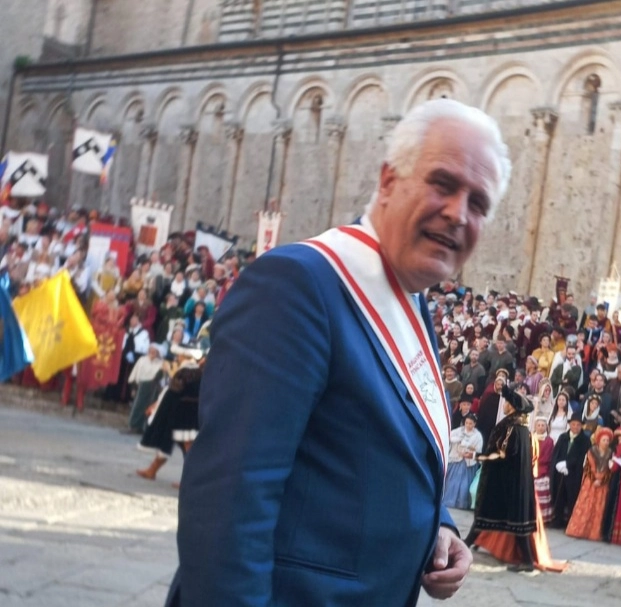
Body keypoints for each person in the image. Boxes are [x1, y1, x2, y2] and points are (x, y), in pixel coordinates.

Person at [167, 99, 511, 605]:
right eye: (443, 183)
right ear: (389, 181)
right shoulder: (296, 285)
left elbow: (378, 447)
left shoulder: (411, 297)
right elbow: (228, 505)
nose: (459, 213)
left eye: (478, 202)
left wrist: (437, 527)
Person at [464, 386, 537, 572]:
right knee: (488, 513)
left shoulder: (512, 427)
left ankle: (528, 562)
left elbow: (503, 454)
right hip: (509, 479)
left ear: (512, 406)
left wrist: (477, 456)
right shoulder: (519, 426)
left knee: (512, 520)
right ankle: (469, 542)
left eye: (506, 402)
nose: (503, 405)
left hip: (506, 481)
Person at [137, 345, 204, 482]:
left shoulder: (184, 372)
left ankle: (188, 481)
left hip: (182, 416)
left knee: (187, 447)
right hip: (188, 414)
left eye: (179, 356)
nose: (178, 358)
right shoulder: (199, 372)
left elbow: (173, 393)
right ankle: (152, 470)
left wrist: (162, 411)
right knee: (170, 443)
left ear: (184, 357)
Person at [566, 427, 614, 540]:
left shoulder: (611, 454)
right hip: (590, 482)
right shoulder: (591, 451)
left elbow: (611, 470)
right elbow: (587, 467)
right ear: (599, 440)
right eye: (604, 440)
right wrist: (594, 479)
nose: (606, 442)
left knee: (598, 508)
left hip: (602, 484)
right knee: (585, 505)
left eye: (607, 440)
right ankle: (578, 530)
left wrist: (602, 479)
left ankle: (593, 532)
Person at [549, 412, 592, 528]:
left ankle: (570, 522)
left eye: (578, 425)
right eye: (573, 424)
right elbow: (556, 453)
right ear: (570, 425)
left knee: (572, 496)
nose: (575, 427)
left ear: (581, 426)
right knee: (559, 495)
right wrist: (558, 464)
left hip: (574, 473)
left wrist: (568, 464)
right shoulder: (563, 437)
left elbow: (583, 457)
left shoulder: (585, 440)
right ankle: (557, 519)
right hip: (560, 471)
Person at [443, 414, 483, 510]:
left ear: (474, 424)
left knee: (464, 484)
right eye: (466, 423)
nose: (468, 425)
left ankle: (461, 502)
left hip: (467, 462)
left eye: (470, 423)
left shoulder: (477, 436)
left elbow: (478, 449)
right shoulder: (459, 431)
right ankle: (450, 500)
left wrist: (467, 446)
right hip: (456, 458)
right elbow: (449, 436)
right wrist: (458, 440)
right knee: (452, 482)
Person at [127, 343, 166, 433]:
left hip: (154, 388)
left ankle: (145, 428)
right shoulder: (142, 360)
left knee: (150, 408)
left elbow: (162, 378)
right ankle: (134, 426)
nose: (152, 352)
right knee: (138, 406)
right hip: (141, 386)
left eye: (154, 351)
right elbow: (135, 373)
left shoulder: (162, 363)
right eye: (150, 350)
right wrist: (133, 387)